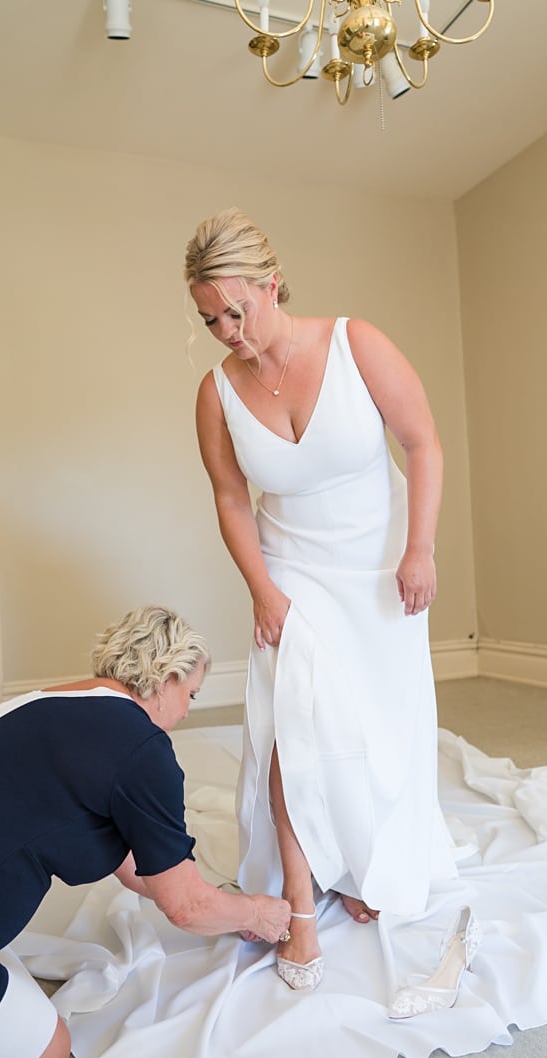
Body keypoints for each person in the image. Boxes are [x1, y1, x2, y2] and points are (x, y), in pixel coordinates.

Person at [0, 606, 292, 1058]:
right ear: (168, 678)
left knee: (8, 982)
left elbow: (137, 865)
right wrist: (256, 914)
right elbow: (186, 909)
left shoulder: (46, 701)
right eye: (191, 695)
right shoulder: (143, 749)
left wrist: (212, 893)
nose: (186, 713)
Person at [187, 208, 457, 991]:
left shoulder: (356, 343)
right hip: (292, 573)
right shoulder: (214, 392)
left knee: (374, 725)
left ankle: (359, 860)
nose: (227, 330)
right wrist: (262, 589)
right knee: (292, 727)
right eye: (210, 319)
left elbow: (423, 443)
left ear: (272, 285)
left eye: (236, 310)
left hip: (380, 569)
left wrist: (421, 548)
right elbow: (233, 502)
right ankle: (300, 901)